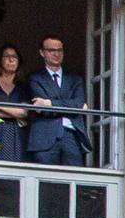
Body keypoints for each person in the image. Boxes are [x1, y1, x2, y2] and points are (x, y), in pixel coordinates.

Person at [22, 33, 93, 166]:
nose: (56, 54)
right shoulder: (34, 78)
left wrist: (49, 103)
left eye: (59, 50)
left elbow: (79, 104)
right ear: (42, 53)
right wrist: (70, 107)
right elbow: (42, 110)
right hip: (44, 137)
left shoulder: (75, 79)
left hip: (72, 136)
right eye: (51, 50)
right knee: (45, 181)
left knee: (75, 179)